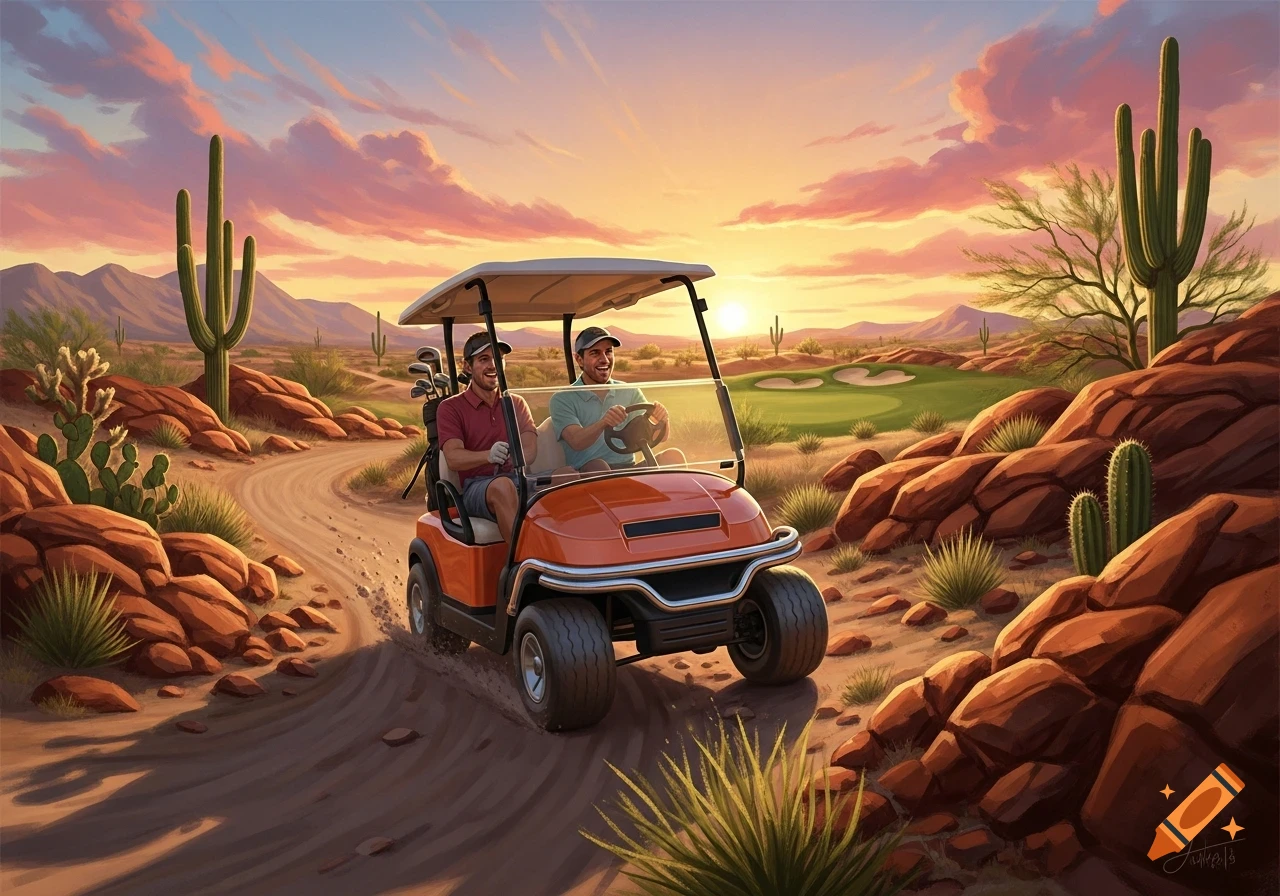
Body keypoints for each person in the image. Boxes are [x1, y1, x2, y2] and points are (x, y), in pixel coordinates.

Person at [436, 332, 538, 542]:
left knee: (567, 475)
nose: (493, 365)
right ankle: (526, 565)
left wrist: (513, 458)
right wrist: (488, 456)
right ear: (467, 366)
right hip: (476, 487)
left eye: (498, 359)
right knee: (502, 486)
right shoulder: (451, 408)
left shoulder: (515, 403)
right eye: (484, 359)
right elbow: (453, 458)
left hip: (517, 478)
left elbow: (530, 449)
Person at [548, 325, 685, 473]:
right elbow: (576, 441)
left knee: (673, 457)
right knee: (599, 466)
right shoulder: (562, 398)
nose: (604, 359)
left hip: (627, 470)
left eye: (608, 352)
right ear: (579, 360)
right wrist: (603, 423)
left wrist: (662, 419)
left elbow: (659, 437)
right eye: (595, 353)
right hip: (587, 474)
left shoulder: (629, 391)